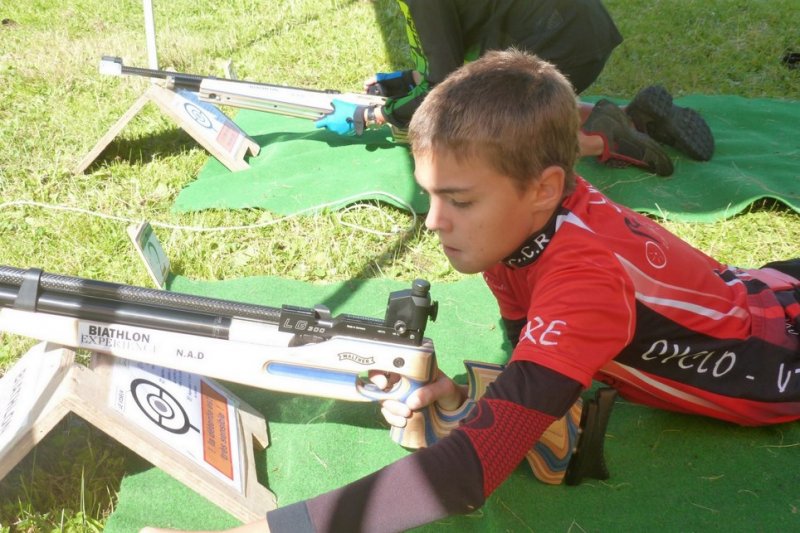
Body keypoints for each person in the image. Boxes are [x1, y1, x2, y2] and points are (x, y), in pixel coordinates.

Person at [142, 49, 800, 533]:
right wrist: (464, 403)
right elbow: (529, 385)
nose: (432, 221)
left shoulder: (578, 276)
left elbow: (464, 476)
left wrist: (263, 531)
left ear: (542, 187)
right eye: (430, 194)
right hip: (754, 292)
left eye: (457, 199)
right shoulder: (513, 227)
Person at [315, 0, 715, 177]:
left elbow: (445, 91)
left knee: (486, 137)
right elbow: (460, 47)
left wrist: (373, 115)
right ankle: (633, 118)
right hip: (572, 27)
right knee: (501, 99)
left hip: (561, 39)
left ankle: (606, 140)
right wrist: (410, 79)